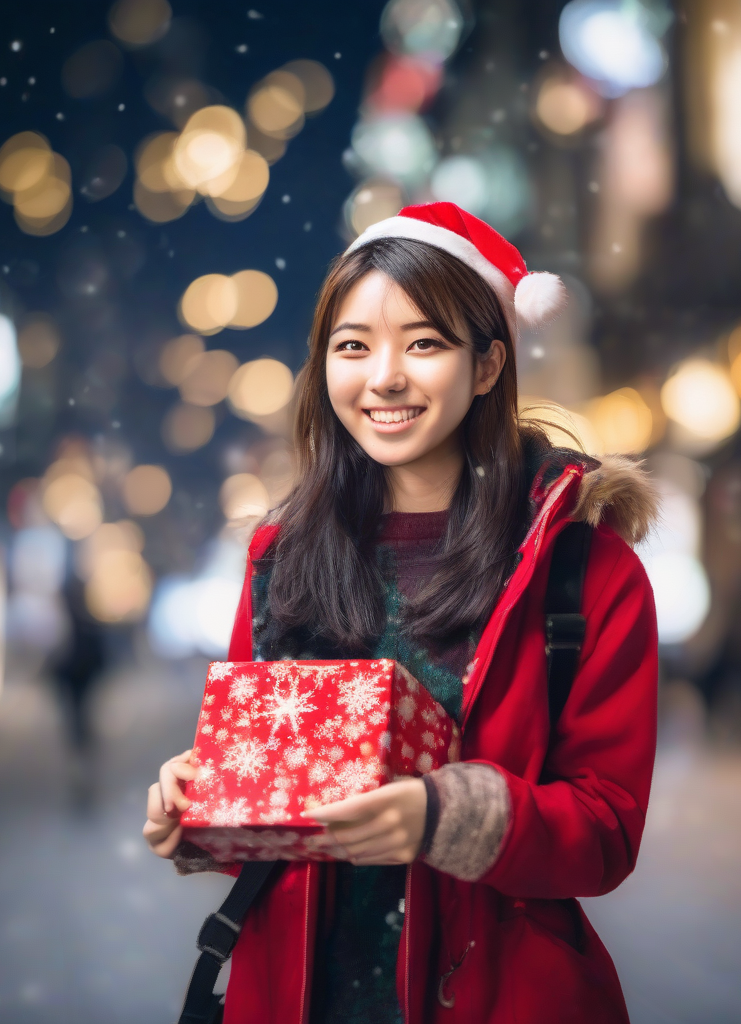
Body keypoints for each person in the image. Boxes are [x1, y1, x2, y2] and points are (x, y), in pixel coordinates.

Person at [144, 202, 659, 1023]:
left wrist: (446, 817)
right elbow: (275, 787)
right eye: (353, 346)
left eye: (423, 343)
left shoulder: (584, 573)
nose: (384, 376)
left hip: (495, 994)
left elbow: (605, 830)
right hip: (296, 993)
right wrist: (201, 801)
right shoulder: (280, 561)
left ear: (488, 366)